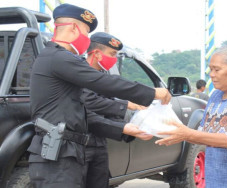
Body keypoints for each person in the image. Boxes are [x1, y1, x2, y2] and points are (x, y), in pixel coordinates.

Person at [28, 4, 170, 188]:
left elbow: (84, 112)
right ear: (73, 28)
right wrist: (152, 93)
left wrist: (123, 128)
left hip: (67, 153)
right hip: (57, 157)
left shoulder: (58, 59)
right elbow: (104, 83)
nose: (87, 39)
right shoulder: (59, 58)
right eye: (86, 33)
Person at [155, 46, 227, 187]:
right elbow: (203, 131)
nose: (212, 74)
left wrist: (187, 134)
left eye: (217, 69)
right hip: (216, 175)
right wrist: (170, 129)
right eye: (210, 69)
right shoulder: (215, 96)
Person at [82, 32, 151, 188]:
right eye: (112, 54)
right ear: (97, 54)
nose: (114, 59)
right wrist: (127, 105)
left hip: (99, 143)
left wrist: (132, 127)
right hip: (79, 144)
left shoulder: (102, 76)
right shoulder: (79, 74)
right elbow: (89, 103)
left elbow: (108, 105)